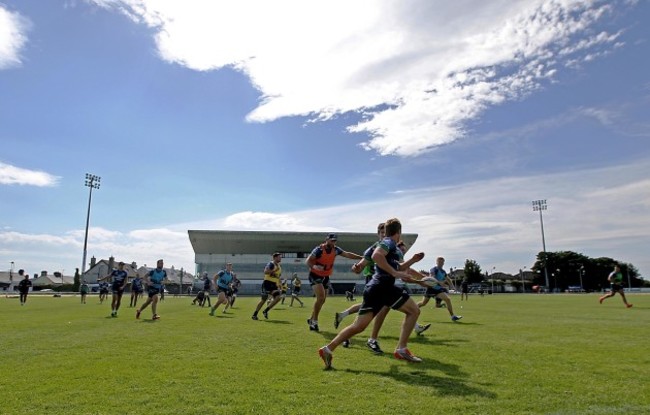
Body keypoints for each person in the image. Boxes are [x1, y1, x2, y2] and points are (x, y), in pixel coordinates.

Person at [318, 218, 430, 369]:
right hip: (383, 286)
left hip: (376, 288)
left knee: (359, 326)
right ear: (399, 232)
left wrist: (412, 261)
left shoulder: (392, 247)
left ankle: (327, 349)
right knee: (414, 311)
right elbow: (377, 257)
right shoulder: (388, 242)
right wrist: (395, 273)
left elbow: (399, 267)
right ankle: (401, 349)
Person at [306, 233, 362, 332]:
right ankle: (314, 322)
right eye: (331, 240)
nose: (333, 242)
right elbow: (308, 261)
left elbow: (347, 254)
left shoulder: (336, 250)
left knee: (322, 300)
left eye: (335, 241)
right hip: (315, 275)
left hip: (326, 276)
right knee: (321, 298)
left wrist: (361, 257)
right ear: (326, 239)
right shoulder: (318, 250)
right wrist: (314, 267)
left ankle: (311, 319)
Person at [418, 257, 462, 322]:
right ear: (437, 262)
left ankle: (453, 316)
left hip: (438, 290)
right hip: (431, 289)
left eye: (442, 262)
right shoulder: (434, 269)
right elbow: (432, 277)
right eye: (439, 262)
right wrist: (439, 282)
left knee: (447, 299)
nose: (440, 263)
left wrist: (452, 286)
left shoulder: (443, 272)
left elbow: (448, 279)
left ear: (443, 263)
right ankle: (412, 308)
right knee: (423, 303)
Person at [252, 253, 283, 320]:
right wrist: (274, 271)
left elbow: (277, 277)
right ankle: (255, 314)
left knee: (278, 297)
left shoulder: (279, 266)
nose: (280, 258)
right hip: (267, 283)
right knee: (263, 300)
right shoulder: (271, 264)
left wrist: (279, 284)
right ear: (274, 258)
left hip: (274, 284)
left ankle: (265, 311)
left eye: (280, 257)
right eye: (279, 257)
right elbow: (265, 271)